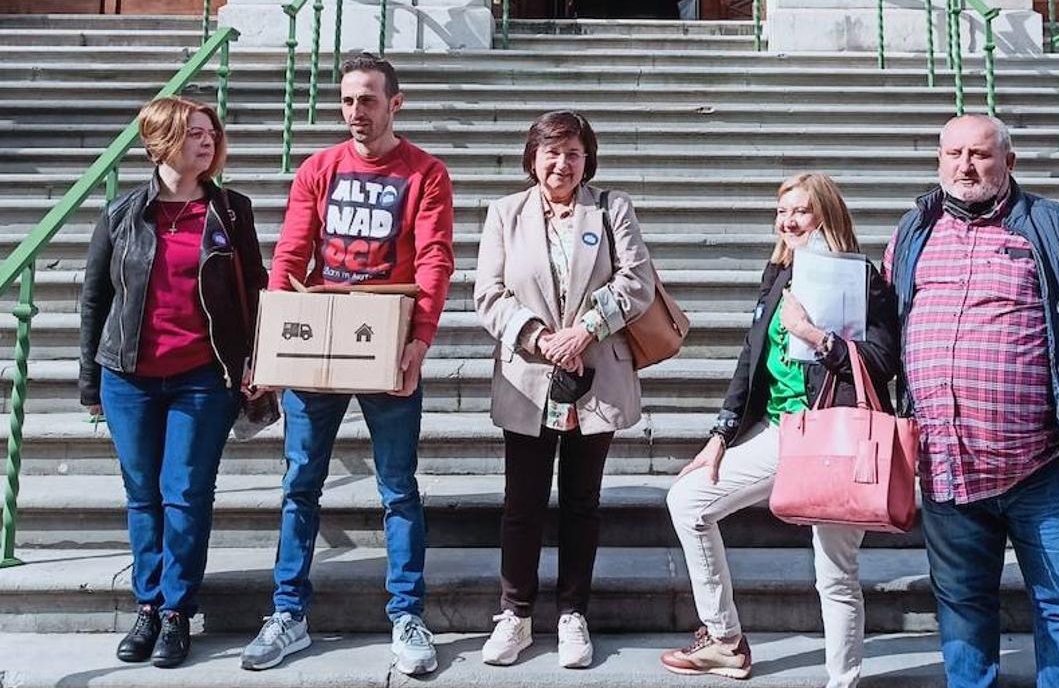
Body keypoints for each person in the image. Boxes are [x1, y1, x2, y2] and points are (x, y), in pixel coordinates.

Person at [883, 114, 1059, 688]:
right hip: (947, 468)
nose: (965, 166)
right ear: (939, 160)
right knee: (963, 609)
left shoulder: (1055, 227)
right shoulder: (913, 229)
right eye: (953, 154)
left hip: (1044, 468)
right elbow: (888, 321)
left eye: (980, 154)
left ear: (1009, 162)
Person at [238, 54, 454, 675]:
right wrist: (273, 341)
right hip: (317, 341)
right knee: (300, 484)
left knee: (397, 488)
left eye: (367, 100)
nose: (356, 113)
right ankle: (287, 614)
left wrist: (420, 340)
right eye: (347, 101)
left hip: (386, 341)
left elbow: (435, 259)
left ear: (395, 103)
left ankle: (407, 615)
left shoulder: (425, 173)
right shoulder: (319, 168)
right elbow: (290, 253)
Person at [661, 173, 899, 686]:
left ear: (826, 216)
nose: (788, 222)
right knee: (688, 501)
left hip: (834, 435)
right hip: (778, 432)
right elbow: (751, 360)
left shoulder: (861, 277)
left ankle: (843, 680)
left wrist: (815, 336)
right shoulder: (779, 273)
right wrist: (721, 435)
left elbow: (882, 361)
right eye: (782, 211)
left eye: (801, 212)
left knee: (835, 573)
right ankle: (725, 639)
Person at [79, 96, 267, 668]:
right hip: (128, 377)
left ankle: (176, 612)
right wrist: (90, 383)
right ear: (160, 141)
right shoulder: (120, 214)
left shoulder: (232, 211)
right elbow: (95, 299)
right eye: (192, 134)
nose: (206, 143)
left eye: (210, 134)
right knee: (143, 496)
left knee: (185, 493)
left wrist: (259, 362)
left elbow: (256, 292)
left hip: (202, 377)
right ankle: (147, 605)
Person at [473, 110, 656, 669]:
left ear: (587, 160)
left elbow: (637, 280)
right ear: (533, 157)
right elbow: (489, 292)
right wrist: (539, 337)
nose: (562, 163)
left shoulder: (611, 208)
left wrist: (586, 330)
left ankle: (573, 612)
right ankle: (516, 613)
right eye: (552, 152)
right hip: (531, 376)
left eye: (573, 153)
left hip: (594, 370)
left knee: (582, 501)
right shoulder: (505, 213)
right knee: (522, 503)